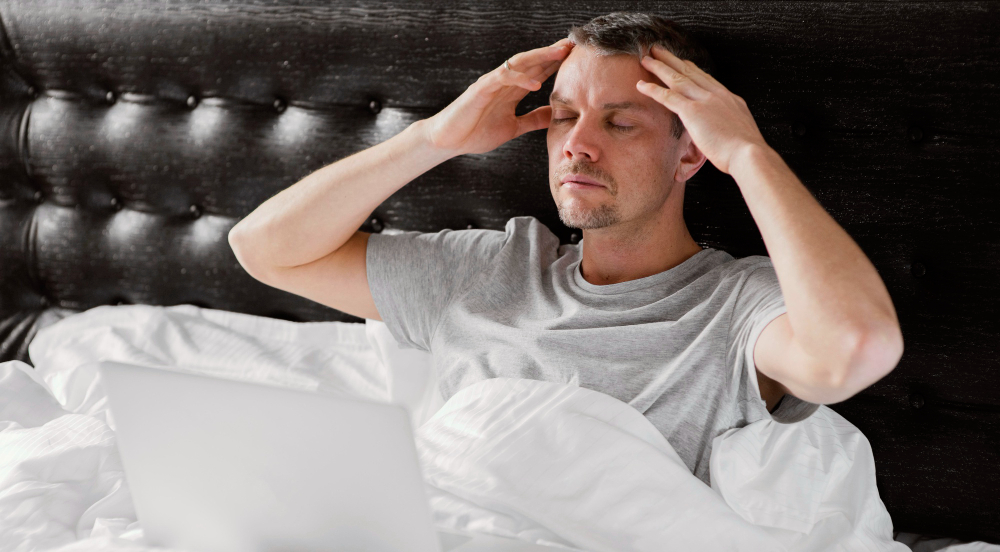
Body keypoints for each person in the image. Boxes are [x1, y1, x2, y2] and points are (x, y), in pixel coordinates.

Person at [228, 12, 903, 484]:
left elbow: (854, 350)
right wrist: (434, 138)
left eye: (620, 121)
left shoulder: (737, 307)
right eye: (563, 114)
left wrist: (748, 153)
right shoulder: (491, 268)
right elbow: (265, 249)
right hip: (438, 551)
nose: (577, 143)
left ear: (690, 148)